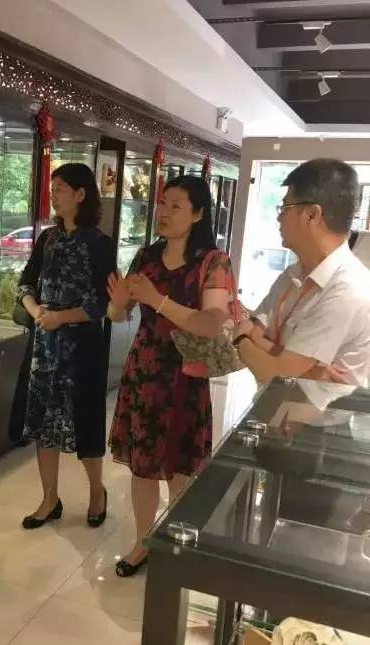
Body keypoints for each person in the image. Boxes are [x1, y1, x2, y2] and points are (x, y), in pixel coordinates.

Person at [107, 175, 234, 577]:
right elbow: (118, 314)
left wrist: (157, 300)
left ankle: (177, 546)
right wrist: (118, 304)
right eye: (163, 203)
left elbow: (211, 324)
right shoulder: (145, 256)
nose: (163, 212)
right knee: (142, 466)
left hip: (184, 377)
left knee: (180, 469)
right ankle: (143, 543)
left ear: (198, 214)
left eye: (175, 205)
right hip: (145, 373)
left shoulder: (213, 261)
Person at [18, 163, 116, 530]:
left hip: (83, 348)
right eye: (52, 188)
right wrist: (37, 311)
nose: (53, 195)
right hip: (45, 345)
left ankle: (96, 491)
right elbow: (26, 284)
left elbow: (105, 302)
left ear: (80, 194)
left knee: (85, 420)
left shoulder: (99, 244)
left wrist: (62, 317)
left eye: (60, 188)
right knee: (44, 422)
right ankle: (49, 498)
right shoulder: (47, 239)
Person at [234, 159, 370, 392]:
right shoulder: (293, 274)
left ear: (311, 215)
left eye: (285, 208)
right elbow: (256, 330)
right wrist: (293, 365)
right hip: (276, 409)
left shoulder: (347, 289)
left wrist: (241, 341)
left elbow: (275, 375)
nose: (279, 217)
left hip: (315, 416)